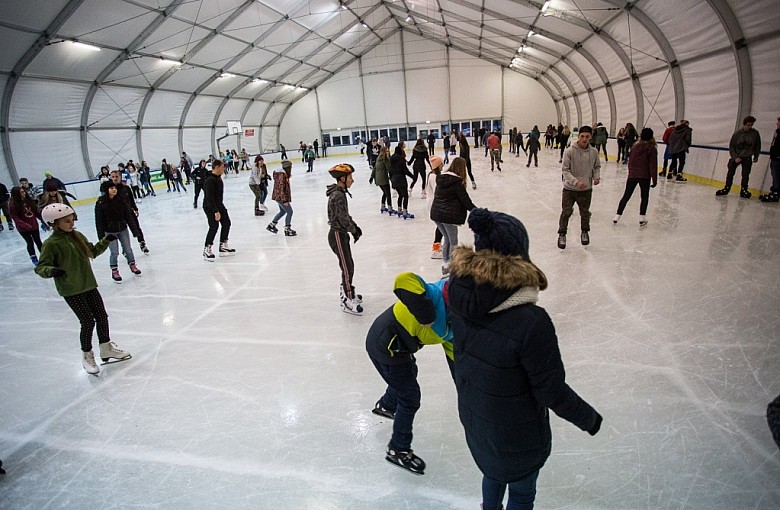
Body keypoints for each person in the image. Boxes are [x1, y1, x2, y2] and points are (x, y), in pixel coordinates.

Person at [447, 208, 602, 510]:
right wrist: (589, 419)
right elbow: (551, 391)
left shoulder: (460, 298)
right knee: (521, 492)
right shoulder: (531, 321)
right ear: (519, 257)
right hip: (518, 437)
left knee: (492, 473)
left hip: (477, 423)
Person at [366, 272, 453, 476]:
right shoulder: (436, 295)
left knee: (408, 375)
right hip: (386, 345)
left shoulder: (457, 323)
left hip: (399, 346)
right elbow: (404, 280)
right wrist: (427, 316)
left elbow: (453, 350)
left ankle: (386, 405)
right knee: (410, 397)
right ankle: (398, 448)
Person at [35, 203, 131, 375]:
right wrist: (52, 271)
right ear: (54, 223)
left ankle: (106, 347)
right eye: (66, 221)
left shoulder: (77, 236)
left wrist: (105, 241)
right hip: (71, 289)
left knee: (102, 316)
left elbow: (92, 252)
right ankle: (87, 355)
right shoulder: (51, 244)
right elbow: (41, 267)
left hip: (89, 284)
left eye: (72, 220)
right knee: (87, 321)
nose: (71, 223)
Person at [326, 163, 363, 315]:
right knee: (347, 267)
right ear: (342, 178)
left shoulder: (340, 193)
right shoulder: (338, 195)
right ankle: (347, 297)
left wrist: (354, 227)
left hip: (341, 234)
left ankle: (348, 290)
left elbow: (345, 216)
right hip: (337, 235)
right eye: (350, 177)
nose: (352, 180)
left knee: (349, 265)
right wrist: (353, 229)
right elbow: (342, 218)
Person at [430, 157, 476, 276]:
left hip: (436, 214)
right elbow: (465, 200)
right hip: (448, 216)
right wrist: (476, 211)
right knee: (453, 241)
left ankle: (445, 265)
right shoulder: (456, 182)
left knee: (447, 239)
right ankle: (452, 266)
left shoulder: (441, 178)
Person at [557, 125, 601, 249]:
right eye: (582, 136)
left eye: (587, 136)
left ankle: (585, 232)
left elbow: (597, 166)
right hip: (570, 189)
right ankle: (562, 234)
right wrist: (576, 182)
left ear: (591, 137)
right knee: (566, 212)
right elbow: (565, 171)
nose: (584, 139)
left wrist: (596, 177)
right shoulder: (570, 151)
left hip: (586, 190)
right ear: (578, 137)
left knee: (585, 213)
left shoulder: (594, 152)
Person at [95, 182, 142, 283]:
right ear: (106, 190)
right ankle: (114, 271)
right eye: (111, 188)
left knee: (128, 249)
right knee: (114, 252)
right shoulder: (100, 203)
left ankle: (132, 265)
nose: (114, 189)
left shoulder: (120, 200)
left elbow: (128, 216)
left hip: (122, 229)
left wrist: (134, 230)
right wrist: (102, 238)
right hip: (110, 232)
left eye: (114, 188)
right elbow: (99, 221)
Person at [614, 128, 658, 226]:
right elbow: (653, 165)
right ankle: (642, 218)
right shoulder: (651, 148)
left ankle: (617, 215)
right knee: (644, 197)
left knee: (626, 196)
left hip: (633, 175)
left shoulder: (635, 146)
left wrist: (631, 172)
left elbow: (631, 161)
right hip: (645, 176)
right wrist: (654, 180)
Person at [101, 171, 149, 255]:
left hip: (129, 212)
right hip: (119, 215)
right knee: (122, 232)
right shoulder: (111, 190)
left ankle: (142, 243)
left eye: (116, 176)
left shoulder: (126, 188)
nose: (115, 178)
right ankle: (124, 248)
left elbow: (131, 199)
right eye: (113, 177)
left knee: (136, 227)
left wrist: (135, 209)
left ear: (120, 177)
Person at [716, 115, 762, 198]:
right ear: (744, 124)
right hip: (737, 156)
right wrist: (735, 157)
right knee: (730, 173)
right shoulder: (737, 134)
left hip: (747, 157)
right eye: (748, 125)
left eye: (751, 125)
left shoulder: (755, 133)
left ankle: (744, 189)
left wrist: (756, 156)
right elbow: (732, 146)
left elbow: (757, 145)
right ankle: (727, 187)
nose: (750, 127)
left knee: (745, 175)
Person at [201, 159, 235, 260]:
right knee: (214, 226)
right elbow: (209, 197)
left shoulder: (218, 178)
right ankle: (207, 249)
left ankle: (223, 246)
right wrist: (215, 211)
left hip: (219, 204)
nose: (224, 169)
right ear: (216, 167)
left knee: (226, 223)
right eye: (222, 167)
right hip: (210, 206)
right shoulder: (210, 180)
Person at [8, 186, 42, 264]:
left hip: (34, 225)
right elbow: (15, 218)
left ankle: (45, 256)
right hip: (23, 229)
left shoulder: (29, 201)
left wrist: (42, 219)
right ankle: (34, 258)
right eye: (21, 192)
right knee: (30, 242)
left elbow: (36, 212)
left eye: (24, 192)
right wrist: (25, 225)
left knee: (38, 242)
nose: (24, 193)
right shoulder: (13, 204)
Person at [266, 160, 296, 236]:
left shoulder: (281, 174)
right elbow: (281, 188)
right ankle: (287, 229)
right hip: (281, 197)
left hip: (278, 196)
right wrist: (285, 200)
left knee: (283, 212)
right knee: (290, 212)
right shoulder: (281, 175)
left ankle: (271, 225)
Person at [424, 155, 444, 259]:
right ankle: (435, 249)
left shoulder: (431, 175)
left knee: (441, 226)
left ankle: (437, 246)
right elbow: (438, 191)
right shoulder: (435, 177)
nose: (443, 165)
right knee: (441, 227)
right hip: (435, 204)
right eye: (441, 163)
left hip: (433, 203)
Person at [389, 142, 415, 219]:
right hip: (401, 180)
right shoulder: (401, 159)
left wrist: (391, 180)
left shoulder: (391, 159)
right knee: (405, 196)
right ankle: (404, 211)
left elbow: (389, 171)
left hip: (394, 179)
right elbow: (405, 171)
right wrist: (413, 176)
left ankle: (399, 210)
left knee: (400, 195)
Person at [759, 117, 780, 202]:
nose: (777, 124)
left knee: (777, 176)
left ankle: (776, 193)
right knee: (775, 175)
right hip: (774, 157)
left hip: (778, 158)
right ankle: (774, 190)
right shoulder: (777, 132)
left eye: (778, 122)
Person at [370, 145, 393, 214]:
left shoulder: (378, 158)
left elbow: (374, 168)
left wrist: (371, 177)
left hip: (378, 179)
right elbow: (389, 168)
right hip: (383, 178)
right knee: (388, 193)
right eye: (387, 151)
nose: (388, 152)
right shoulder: (385, 158)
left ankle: (382, 206)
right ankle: (390, 208)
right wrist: (392, 175)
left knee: (385, 193)